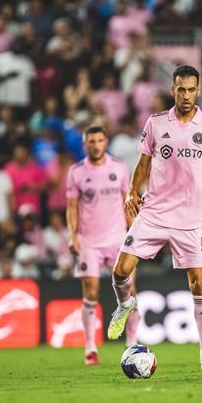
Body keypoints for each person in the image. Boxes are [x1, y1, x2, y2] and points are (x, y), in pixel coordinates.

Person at [107, 66, 202, 379]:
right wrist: (132, 192)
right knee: (120, 271)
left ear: (198, 91)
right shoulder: (156, 123)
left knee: (198, 284)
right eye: (180, 89)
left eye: (191, 90)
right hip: (155, 212)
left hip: (190, 220)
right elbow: (143, 164)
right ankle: (124, 305)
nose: (186, 95)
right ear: (173, 90)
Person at [66, 126, 137, 365]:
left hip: (119, 240)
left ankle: (131, 343)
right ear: (85, 145)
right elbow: (72, 207)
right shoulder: (76, 172)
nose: (96, 145)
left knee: (129, 293)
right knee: (91, 293)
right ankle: (90, 348)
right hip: (89, 242)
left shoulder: (119, 168)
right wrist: (73, 236)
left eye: (100, 140)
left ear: (106, 141)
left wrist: (136, 234)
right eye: (91, 141)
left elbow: (128, 203)